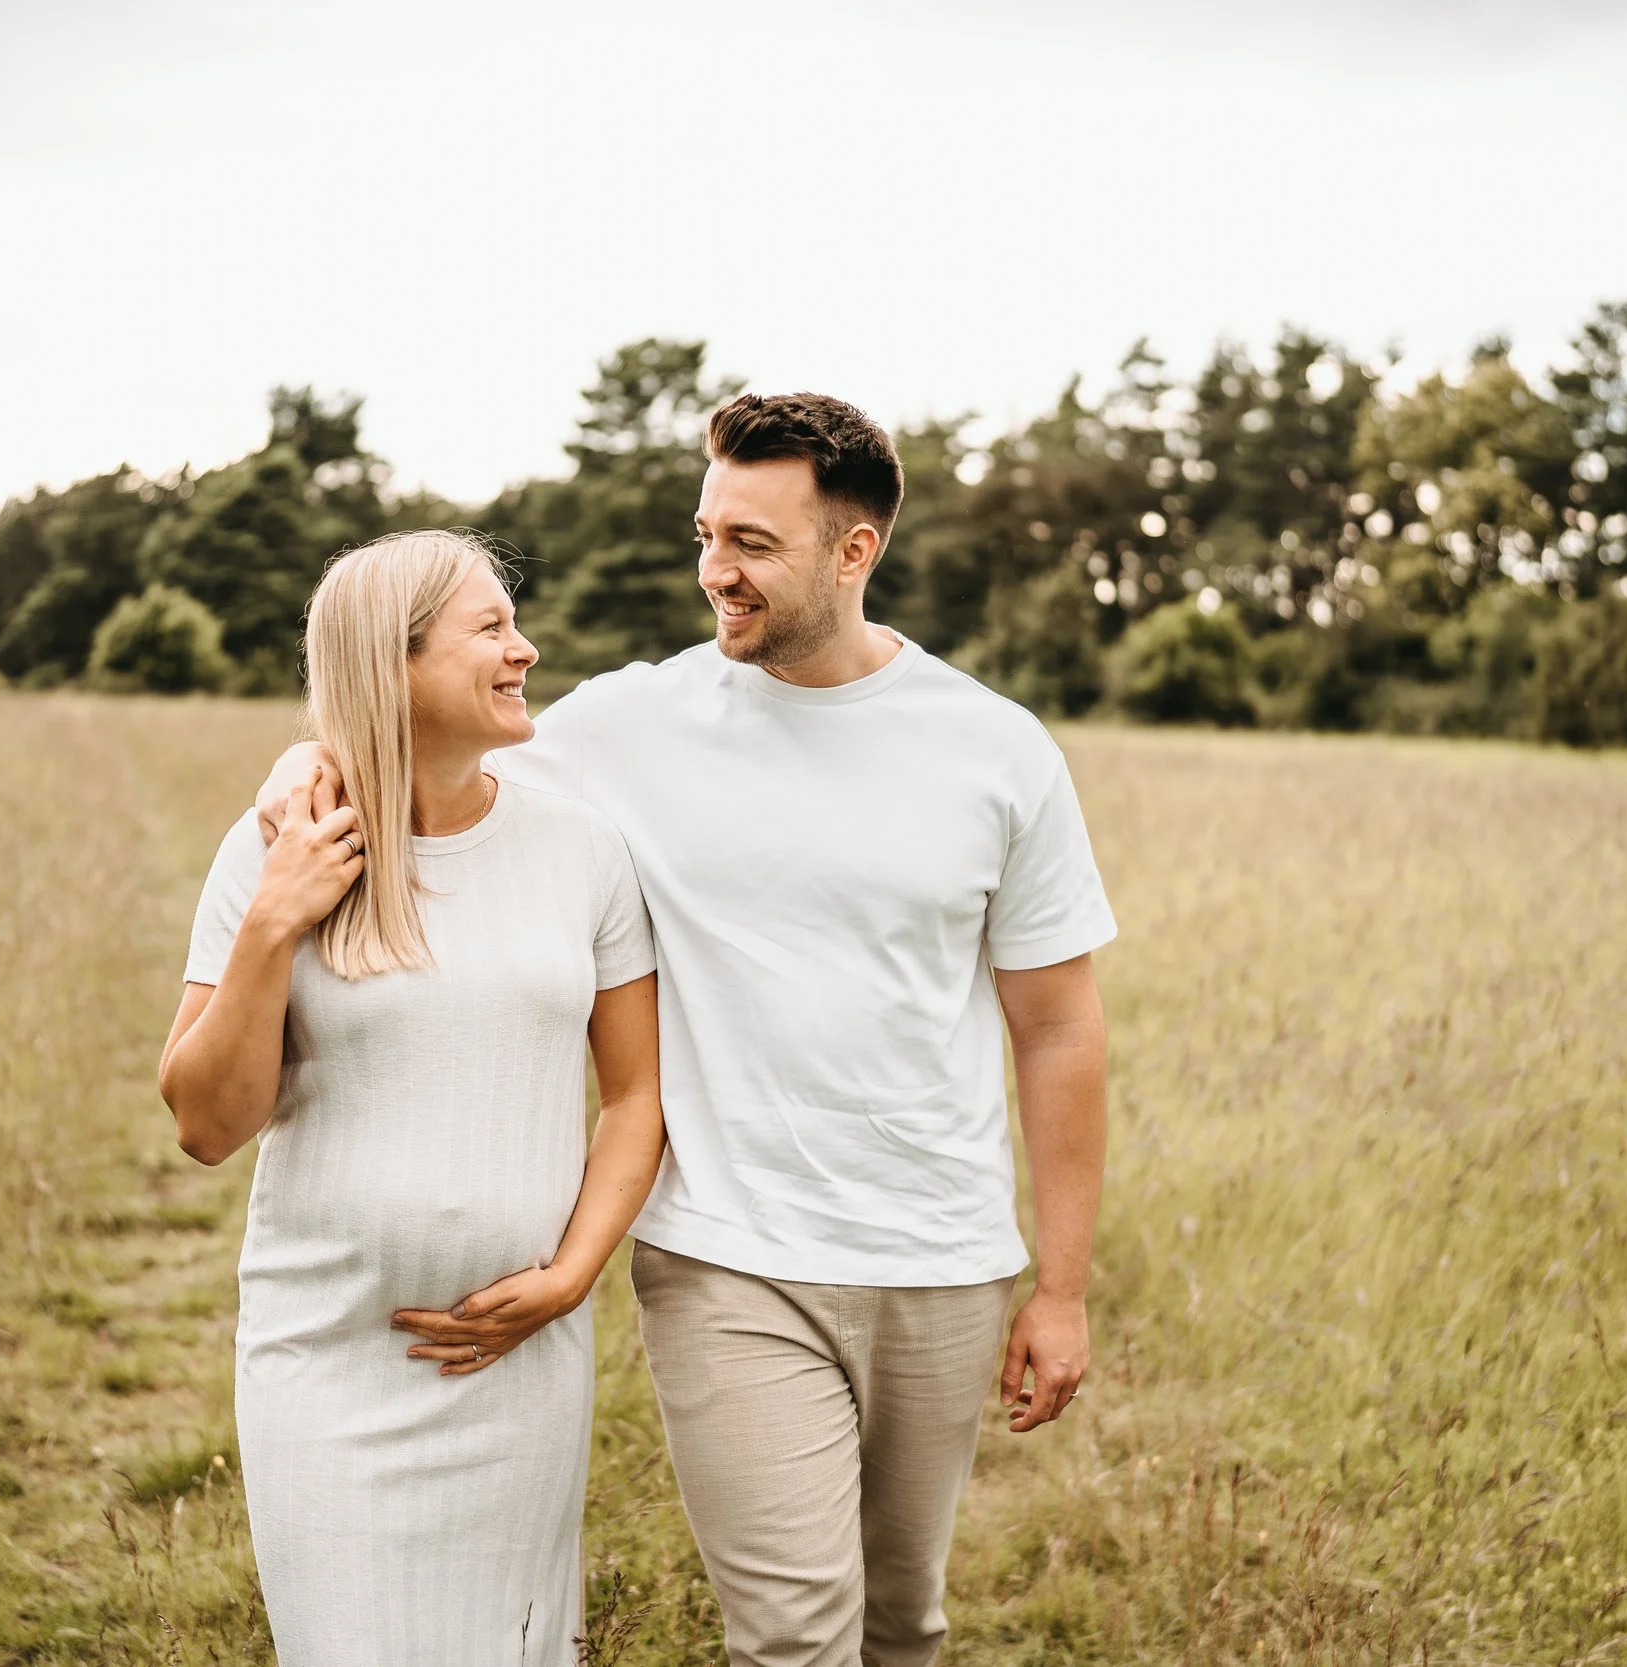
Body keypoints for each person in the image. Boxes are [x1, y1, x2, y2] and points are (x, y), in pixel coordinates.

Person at [256, 393, 1115, 1667]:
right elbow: (420, 744)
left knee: (904, 1622)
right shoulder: (627, 724)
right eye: (706, 532)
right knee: (793, 1638)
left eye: (753, 543)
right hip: (728, 1251)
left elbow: (1057, 1027)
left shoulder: (997, 749)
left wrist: (1062, 1287)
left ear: (854, 551)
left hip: (941, 1254)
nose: (715, 569)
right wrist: (300, 763)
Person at [160, 529, 664, 1665]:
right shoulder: (277, 848)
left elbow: (635, 1098)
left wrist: (568, 1278)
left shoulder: (582, 851)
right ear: (394, 661)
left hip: (519, 1365)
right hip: (328, 1362)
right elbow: (204, 1124)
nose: (525, 649)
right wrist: (273, 919)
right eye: (491, 628)